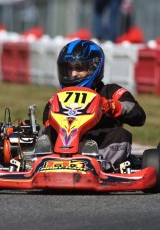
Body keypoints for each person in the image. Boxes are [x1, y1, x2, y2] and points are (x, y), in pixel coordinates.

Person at [41, 39, 146, 172]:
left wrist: (113, 106)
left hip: (101, 144)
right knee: (45, 131)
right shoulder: (60, 96)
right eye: (69, 69)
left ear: (93, 68)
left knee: (121, 134)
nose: (73, 74)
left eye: (79, 68)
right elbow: (47, 114)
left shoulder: (110, 91)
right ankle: (43, 158)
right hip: (65, 143)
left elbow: (138, 114)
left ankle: (98, 164)